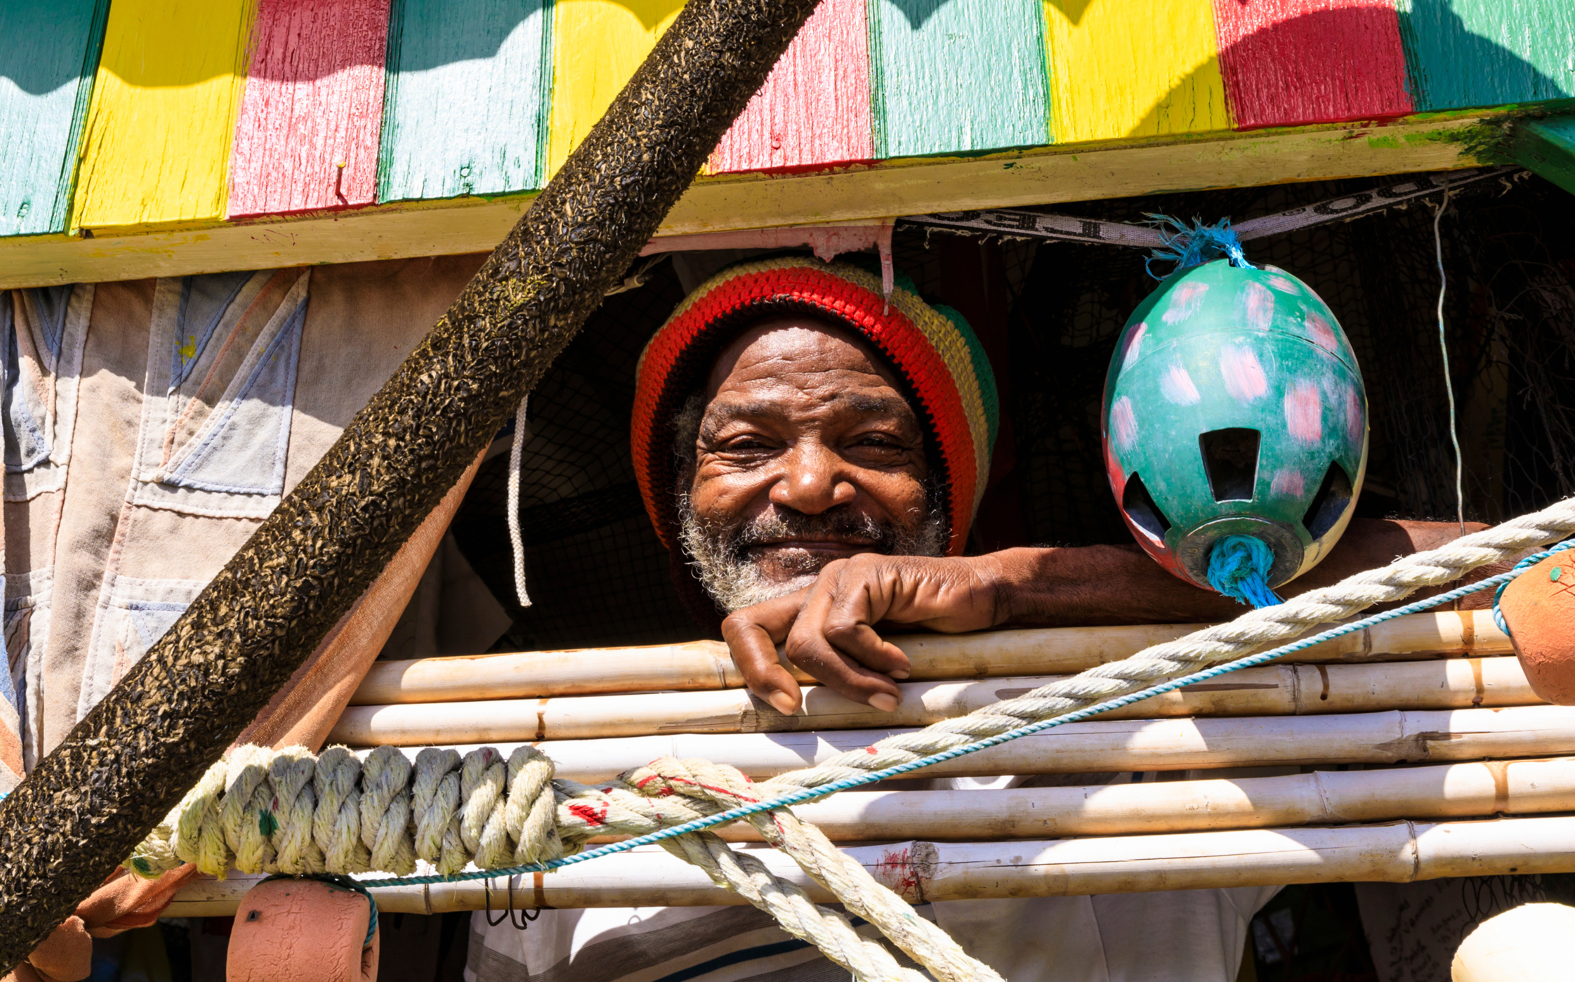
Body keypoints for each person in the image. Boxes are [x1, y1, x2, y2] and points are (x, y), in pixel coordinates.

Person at [470, 255, 1489, 982]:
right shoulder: (564, 778)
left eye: (872, 441)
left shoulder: (1121, 714)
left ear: (945, 494)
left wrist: (1014, 587)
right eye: (746, 445)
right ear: (679, 494)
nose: (814, 481)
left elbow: (1510, 567)